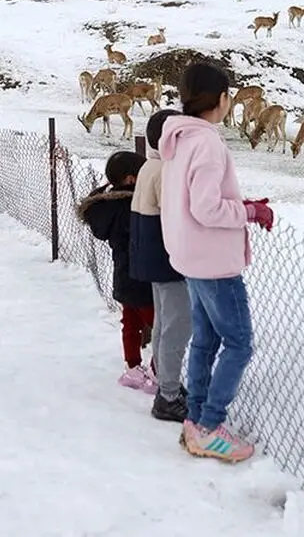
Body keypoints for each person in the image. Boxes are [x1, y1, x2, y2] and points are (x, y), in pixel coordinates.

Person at [158, 61, 274, 463]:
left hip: (189, 256)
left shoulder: (178, 140)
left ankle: (195, 422)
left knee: (206, 340)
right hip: (213, 261)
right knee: (239, 344)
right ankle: (209, 426)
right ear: (222, 99)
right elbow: (206, 208)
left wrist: (242, 206)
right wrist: (250, 213)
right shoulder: (207, 143)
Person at [130, 108, 192, 422]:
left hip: (151, 256)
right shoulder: (166, 171)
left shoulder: (149, 167)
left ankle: (166, 385)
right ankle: (168, 394)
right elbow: (175, 215)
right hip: (169, 260)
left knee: (165, 323)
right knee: (177, 326)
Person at [78, 150, 157, 394]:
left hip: (123, 274)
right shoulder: (136, 206)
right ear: (132, 179)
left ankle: (133, 367)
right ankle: (159, 371)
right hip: (144, 276)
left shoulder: (108, 207)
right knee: (160, 325)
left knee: (130, 322)